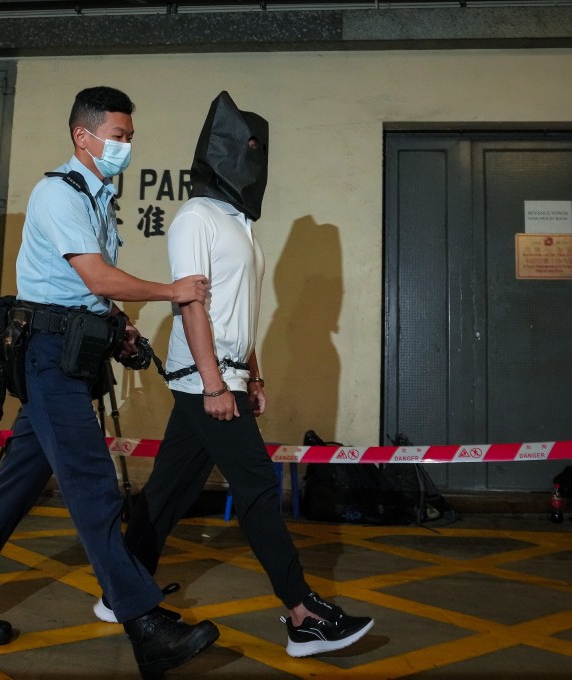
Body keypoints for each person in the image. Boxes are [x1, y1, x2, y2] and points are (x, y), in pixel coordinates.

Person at [0, 87, 220, 679]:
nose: (125, 147)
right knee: (92, 486)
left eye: (130, 137)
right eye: (118, 136)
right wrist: (172, 290)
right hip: (49, 355)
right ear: (83, 137)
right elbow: (97, 275)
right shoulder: (58, 191)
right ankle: (144, 622)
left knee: (12, 486)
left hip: (66, 352)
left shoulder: (96, 194)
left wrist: (121, 326)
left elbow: (89, 289)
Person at [92, 91, 375, 658]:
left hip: (227, 373)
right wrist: (217, 384)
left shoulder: (239, 222)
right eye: (243, 146)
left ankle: (118, 590)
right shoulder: (196, 216)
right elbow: (191, 305)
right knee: (258, 487)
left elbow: (240, 307)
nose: (253, 158)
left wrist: (254, 373)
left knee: (171, 488)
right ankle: (301, 615)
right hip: (205, 377)